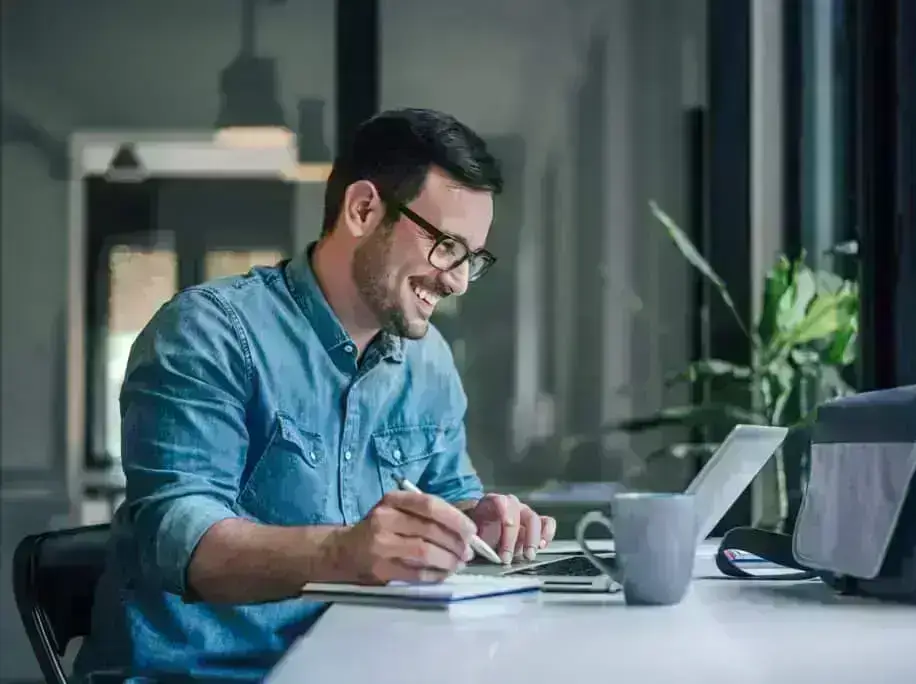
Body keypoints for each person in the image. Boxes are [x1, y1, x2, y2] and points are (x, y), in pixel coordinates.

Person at [74, 107, 557, 683]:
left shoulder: (429, 363)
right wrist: (345, 553)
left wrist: (478, 523)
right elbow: (179, 536)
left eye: (471, 259)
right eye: (446, 246)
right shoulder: (209, 331)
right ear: (362, 209)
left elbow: (449, 498)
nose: (455, 280)